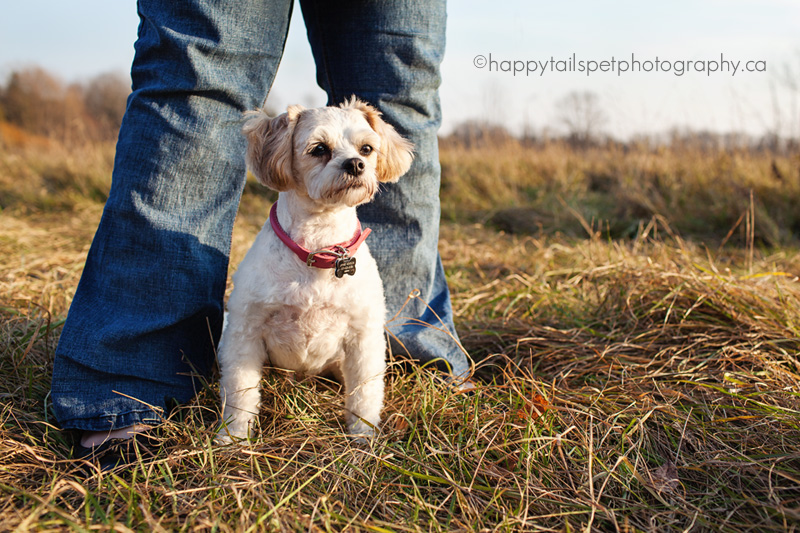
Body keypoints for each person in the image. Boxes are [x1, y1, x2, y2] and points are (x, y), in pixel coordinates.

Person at [51, 0, 468, 461]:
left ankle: (412, 355)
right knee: (199, 80)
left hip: (346, 269)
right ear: (286, 157)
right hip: (280, 265)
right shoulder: (267, 245)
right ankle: (129, 383)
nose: (353, 161)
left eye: (365, 150)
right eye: (320, 151)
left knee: (401, 90)